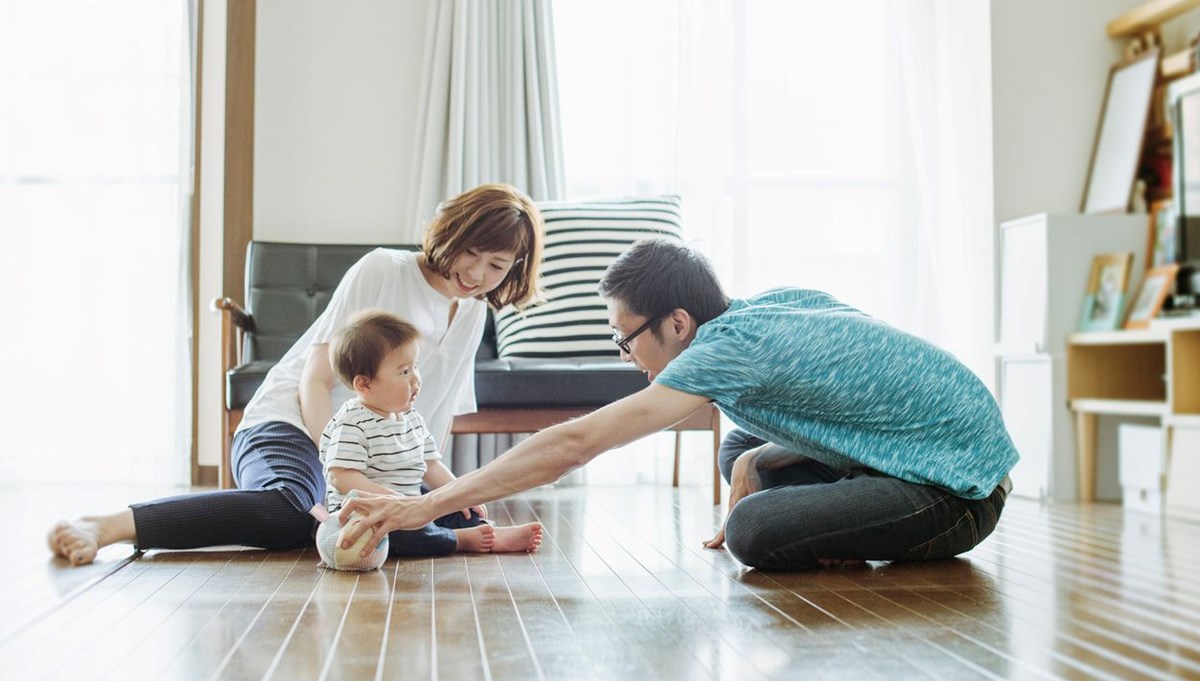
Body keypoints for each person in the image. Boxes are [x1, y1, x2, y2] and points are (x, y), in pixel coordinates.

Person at [336, 238, 1018, 571]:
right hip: (926, 451)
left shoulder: (719, 353)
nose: (625, 354)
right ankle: (830, 508)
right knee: (739, 449)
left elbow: (577, 444)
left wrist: (421, 505)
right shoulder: (766, 310)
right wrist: (755, 465)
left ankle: (850, 521)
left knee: (754, 533)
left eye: (626, 338)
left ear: (679, 323)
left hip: (957, 492)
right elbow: (850, 407)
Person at [48, 183, 544, 566]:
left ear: (514, 269)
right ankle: (112, 525)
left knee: (440, 512)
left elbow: (430, 421)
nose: (476, 273)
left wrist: (441, 496)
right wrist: (337, 467)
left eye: (496, 265)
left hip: (363, 458)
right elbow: (314, 377)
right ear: (450, 233)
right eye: (470, 253)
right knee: (291, 509)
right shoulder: (385, 270)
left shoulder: (473, 313)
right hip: (290, 425)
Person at [314, 309, 541, 569]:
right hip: (366, 513)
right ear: (364, 385)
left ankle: (485, 530)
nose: (415, 379)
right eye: (403, 372)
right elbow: (341, 476)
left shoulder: (411, 418)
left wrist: (461, 494)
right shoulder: (352, 423)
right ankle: (457, 540)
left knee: (453, 505)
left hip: (411, 499)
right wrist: (391, 499)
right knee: (404, 534)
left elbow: (431, 466)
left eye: (415, 368)